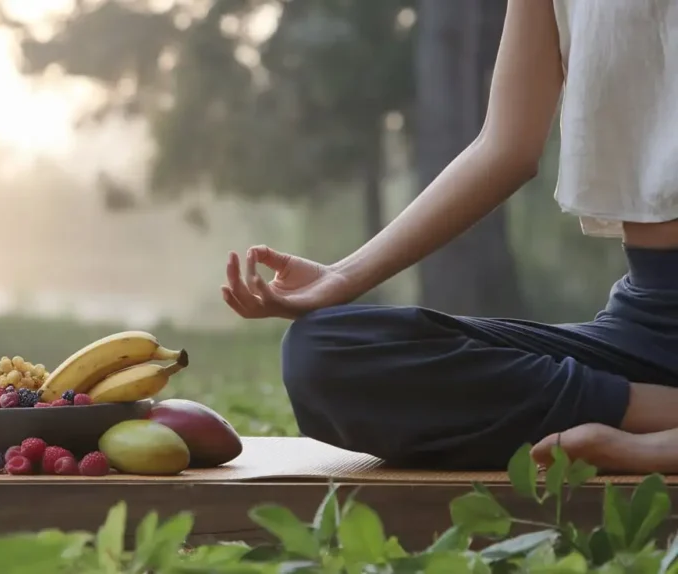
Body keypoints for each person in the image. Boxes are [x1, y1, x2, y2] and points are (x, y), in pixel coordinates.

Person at [222, 0, 678, 473]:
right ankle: (655, 413)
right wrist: (342, 275)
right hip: (645, 322)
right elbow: (504, 149)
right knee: (323, 354)